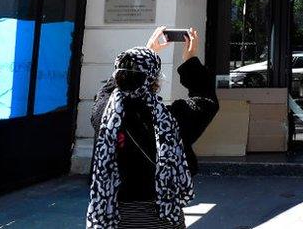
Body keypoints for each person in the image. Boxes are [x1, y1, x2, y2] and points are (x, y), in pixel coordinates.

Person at [87, 26, 218, 229]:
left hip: (111, 217)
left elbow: (107, 91)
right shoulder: (171, 121)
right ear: (155, 82)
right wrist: (190, 59)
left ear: (119, 75)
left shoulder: (103, 114)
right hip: (162, 217)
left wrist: (147, 51)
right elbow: (205, 99)